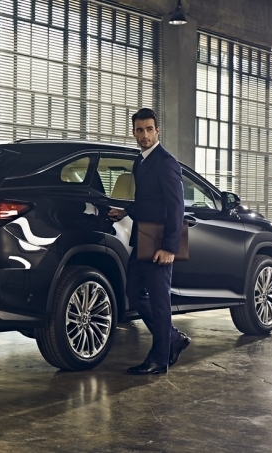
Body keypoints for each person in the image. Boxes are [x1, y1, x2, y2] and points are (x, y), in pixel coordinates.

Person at [108, 108, 191, 375]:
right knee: (133, 291)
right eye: (139, 130)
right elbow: (148, 200)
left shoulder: (166, 162)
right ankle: (172, 338)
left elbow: (176, 207)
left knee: (159, 301)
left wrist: (169, 247)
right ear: (134, 132)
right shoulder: (140, 161)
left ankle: (159, 359)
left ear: (158, 131)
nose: (144, 135)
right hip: (142, 238)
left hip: (159, 242)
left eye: (149, 129)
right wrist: (126, 211)